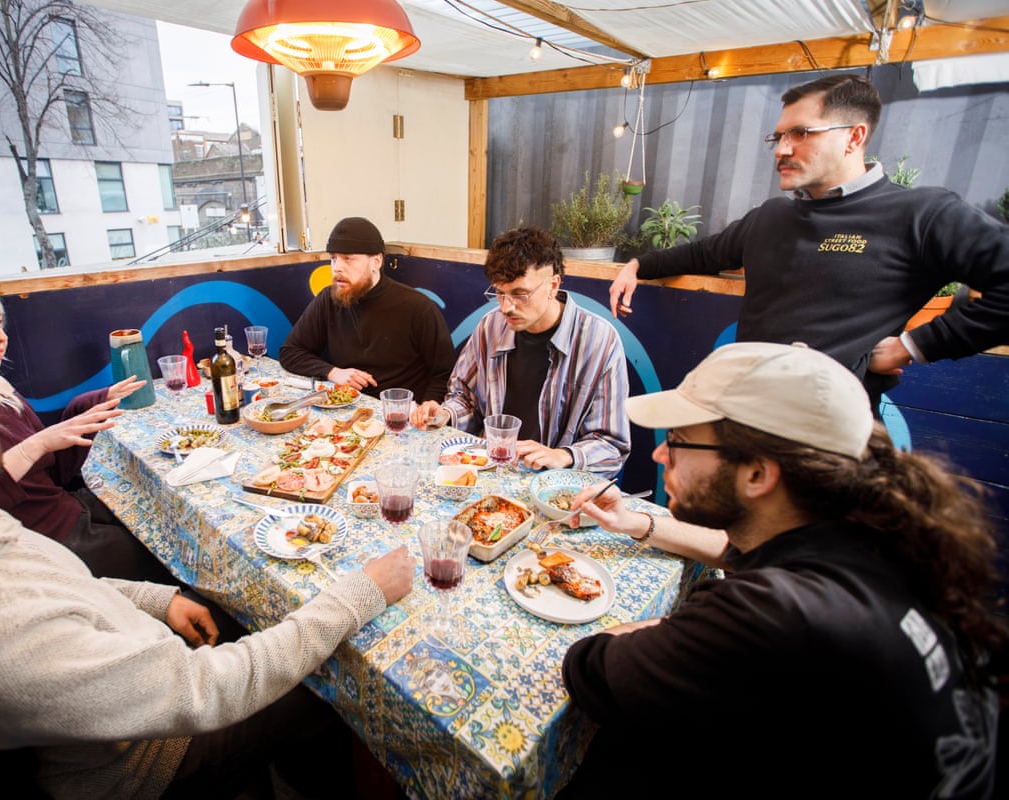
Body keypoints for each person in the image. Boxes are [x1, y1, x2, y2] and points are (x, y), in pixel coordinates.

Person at [0, 353, 415, 800]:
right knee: (340, 686)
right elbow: (207, 689)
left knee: (253, 615)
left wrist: (157, 600)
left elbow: (54, 589)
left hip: (116, 685)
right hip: (142, 762)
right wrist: (362, 592)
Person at [557, 342, 1005, 798]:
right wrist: (637, 523)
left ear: (758, 474)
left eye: (677, 440)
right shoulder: (879, 534)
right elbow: (738, 550)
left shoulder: (769, 615)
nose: (659, 455)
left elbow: (591, 668)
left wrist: (666, 626)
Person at [608, 73, 1009, 413]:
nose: (782, 149)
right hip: (745, 417)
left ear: (854, 136)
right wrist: (638, 266)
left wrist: (912, 345)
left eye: (801, 133)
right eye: (779, 136)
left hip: (831, 441)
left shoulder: (919, 214)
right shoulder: (770, 217)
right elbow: (702, 253)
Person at [0, 269, 173, 585]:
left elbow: (53, 474)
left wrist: (88, 407)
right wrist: (37, 444)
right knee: (167, 556)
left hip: (66, 508)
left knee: (162, 518)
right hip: (41, 544)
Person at [411, 226, 630, 473]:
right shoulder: (490, 327)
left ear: (553, 285)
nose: (507, 307)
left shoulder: (599, 340)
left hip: (554, 482)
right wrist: (445, 414)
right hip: (491, 468)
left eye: (520, 294)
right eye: (500, 293)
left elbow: (612, 445)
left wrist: (562, 455)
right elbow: (465, 399)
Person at [278, 216, 457, 402]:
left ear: (376, 262)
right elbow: (290, 352)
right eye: (333, 259)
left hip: (398, 411)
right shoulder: (328, 299)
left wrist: (427, 408)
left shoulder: (418, 307)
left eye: (348, 259)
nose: (337, 268)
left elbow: (445, 374)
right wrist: (332, 372)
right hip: (344, 406)